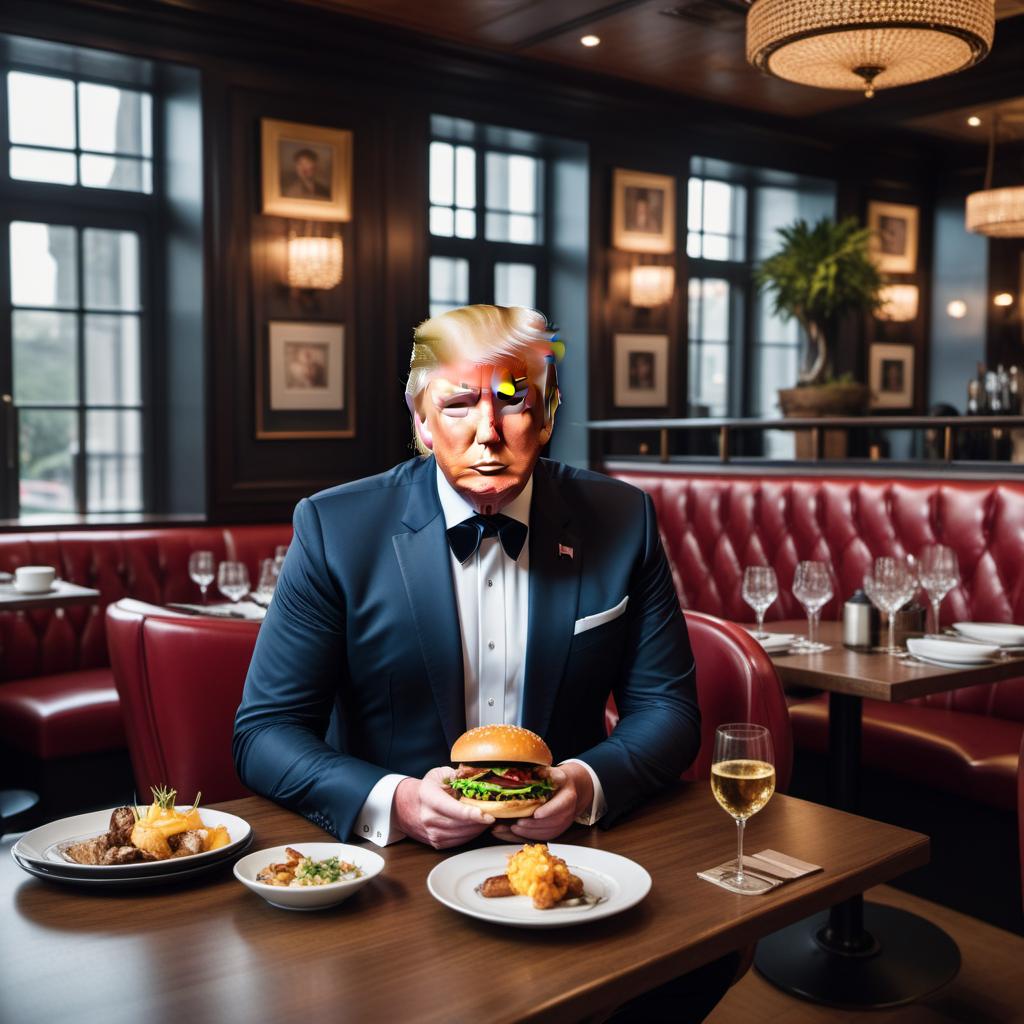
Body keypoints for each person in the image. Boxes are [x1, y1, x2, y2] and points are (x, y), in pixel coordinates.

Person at [234, 305, 732, 1021]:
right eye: (458, 403)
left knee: (695, 963)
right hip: (394, 875)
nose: (486, 432)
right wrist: (397, 801)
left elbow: (669, 712)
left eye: (513, 400)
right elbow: (264, 732)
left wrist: (586, 783)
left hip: (578, 866)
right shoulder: (334, 527)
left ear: (551, 410)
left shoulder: (624, 518)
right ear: (419, 421)